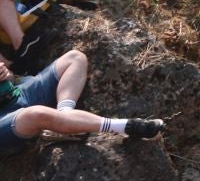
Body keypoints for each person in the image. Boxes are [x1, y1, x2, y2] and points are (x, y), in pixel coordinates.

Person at [0, 46, 164, 160]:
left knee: (75, 57)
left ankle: (65, 113)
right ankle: (126, 127)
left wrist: (6, 74)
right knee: (36, 114)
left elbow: (11, 77)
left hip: (19, 94)